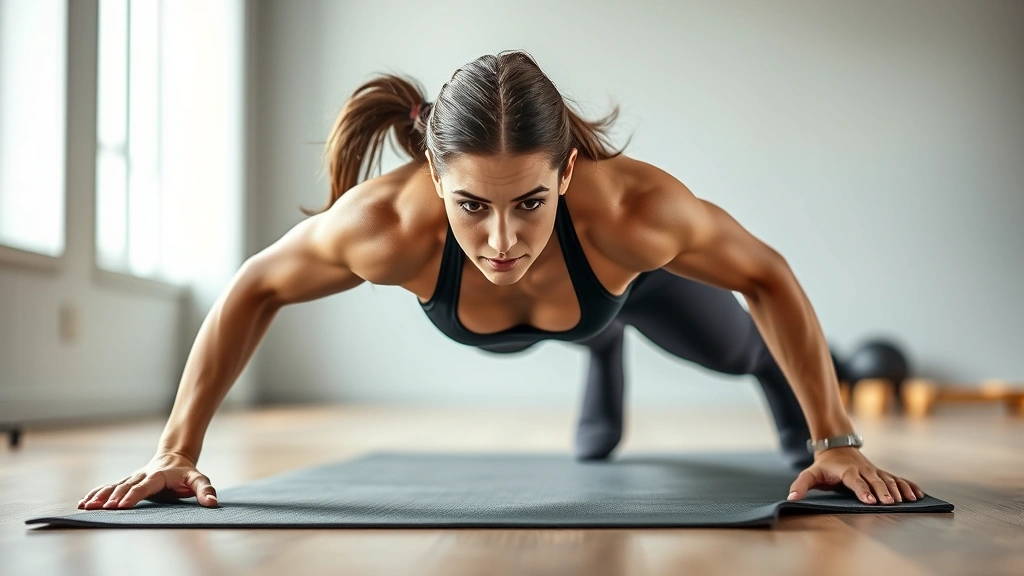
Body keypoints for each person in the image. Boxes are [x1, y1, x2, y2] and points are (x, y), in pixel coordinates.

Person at [78, 50, 924, 512]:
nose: (502, 240)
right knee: (590, 324)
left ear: (566, 173)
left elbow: (766, 274)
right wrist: (175, 452)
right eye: (472, 206)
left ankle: (637, 342)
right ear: (433, 180)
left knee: (741, 351)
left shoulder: (634, 214)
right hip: (575, 301)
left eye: (528, 201)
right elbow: (253, 286)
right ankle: (603, 345)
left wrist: (836, 442)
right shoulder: (387, 228)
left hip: (622, 285)